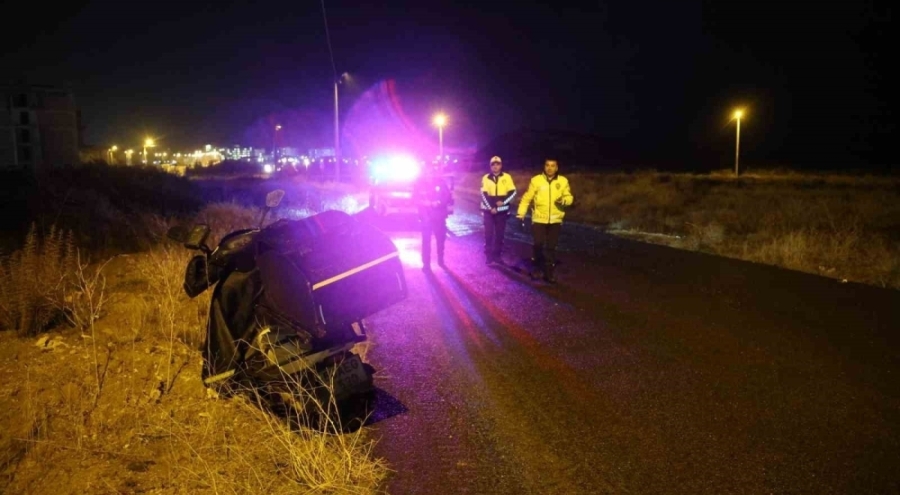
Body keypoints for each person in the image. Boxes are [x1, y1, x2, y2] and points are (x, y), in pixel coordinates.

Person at [515, 159, 574, 283]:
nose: (550, 168)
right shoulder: (536, 180)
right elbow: (527, 198)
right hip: (539, 219)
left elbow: (569, 197)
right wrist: (521, 213)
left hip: (555, 219)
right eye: (547, 165)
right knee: (538, 244)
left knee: (551, 247)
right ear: (544, 166)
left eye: (553, 166)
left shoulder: (563, 181)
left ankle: (549, 274)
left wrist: (564, 200)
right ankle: (536, 269)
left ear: (556, 168)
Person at [413, 163, 454, 271]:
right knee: (426, 242)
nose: (429, 174)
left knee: (440, 240)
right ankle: (426, 264)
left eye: (431, 172)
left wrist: (438, 203)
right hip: (425, 218)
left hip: (439, 217)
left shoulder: (441, 183)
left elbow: (448, 197)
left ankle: (441, 259)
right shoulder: (419, 184)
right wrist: (424, 203)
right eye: (427, 172)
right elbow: (414, 199)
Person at [480, 156, 517, 264]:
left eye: (498, 164)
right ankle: (488, 256)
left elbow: (513, 192)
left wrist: (503, 202)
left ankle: (497, 256)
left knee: (500, 235)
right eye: (493, 164)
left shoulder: (507, 177)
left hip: (502, 212)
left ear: (501, 165)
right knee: (488, 234)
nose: (495, 166)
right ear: (490, 166)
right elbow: (484, 194)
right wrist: (491, 208)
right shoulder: (486, 178)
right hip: (488, 211)